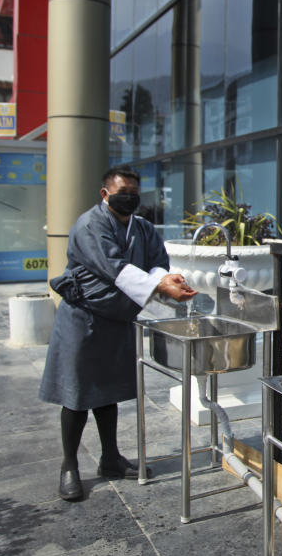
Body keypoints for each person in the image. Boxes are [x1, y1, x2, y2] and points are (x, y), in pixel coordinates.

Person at [39, 166, 197, 501]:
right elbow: (115, 269)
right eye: (124, 191)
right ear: (105, 194)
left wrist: (164, 279)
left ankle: (110, 457)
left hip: (117, 319)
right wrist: (161, 286)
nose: (130, 199)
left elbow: (158, 262)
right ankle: (69, 465)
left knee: (107, 392)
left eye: (135, 193)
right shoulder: (89, 226)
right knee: (77, 394)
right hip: (83, 321)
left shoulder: (142, 228)